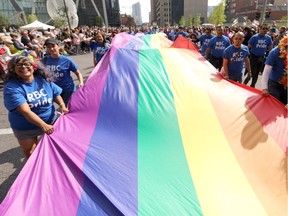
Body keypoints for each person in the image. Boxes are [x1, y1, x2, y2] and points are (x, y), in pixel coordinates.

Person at [3, 56, 69, 158]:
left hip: (50, 121)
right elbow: (25, 111)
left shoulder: (43, 79)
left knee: (56, 150)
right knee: (31, 154)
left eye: (27, 64)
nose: (23, 67)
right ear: (13, 69)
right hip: (25, 127)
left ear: (34, 66)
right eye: (19, 65)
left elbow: (55, 94)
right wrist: (43, 125)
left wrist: (62, 106)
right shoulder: (12, 88)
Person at [43, 38, 84, 106]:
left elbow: (78, 73)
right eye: (49, 47)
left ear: (58, 46)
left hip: (67, 89)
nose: (51, 49)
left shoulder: (67, 60)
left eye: (53, 46)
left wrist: (81, 82)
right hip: (54, 90)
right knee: (61, 107)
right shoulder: (44, 60)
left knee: (68, 108)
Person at [262, 35, 287, 106]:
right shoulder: (275, 52)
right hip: (274, 84)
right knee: (273, 106)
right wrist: (265, 88)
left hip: (286, 86)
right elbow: (266, 70)